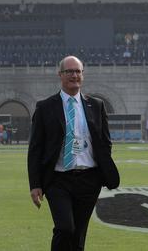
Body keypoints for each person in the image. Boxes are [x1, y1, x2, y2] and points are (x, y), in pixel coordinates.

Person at [28, 56, 120, 251]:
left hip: (89, 179)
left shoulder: (96, 105)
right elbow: (36, 147)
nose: (74, 75)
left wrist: (101, 172)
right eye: (69, 71)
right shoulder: (45, 107)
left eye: (78, 71)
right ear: (60, 75)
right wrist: (35, 184)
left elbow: (105, 142)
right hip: (58, 180)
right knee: (65, 228)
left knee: (78, 235)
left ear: (83, 75)